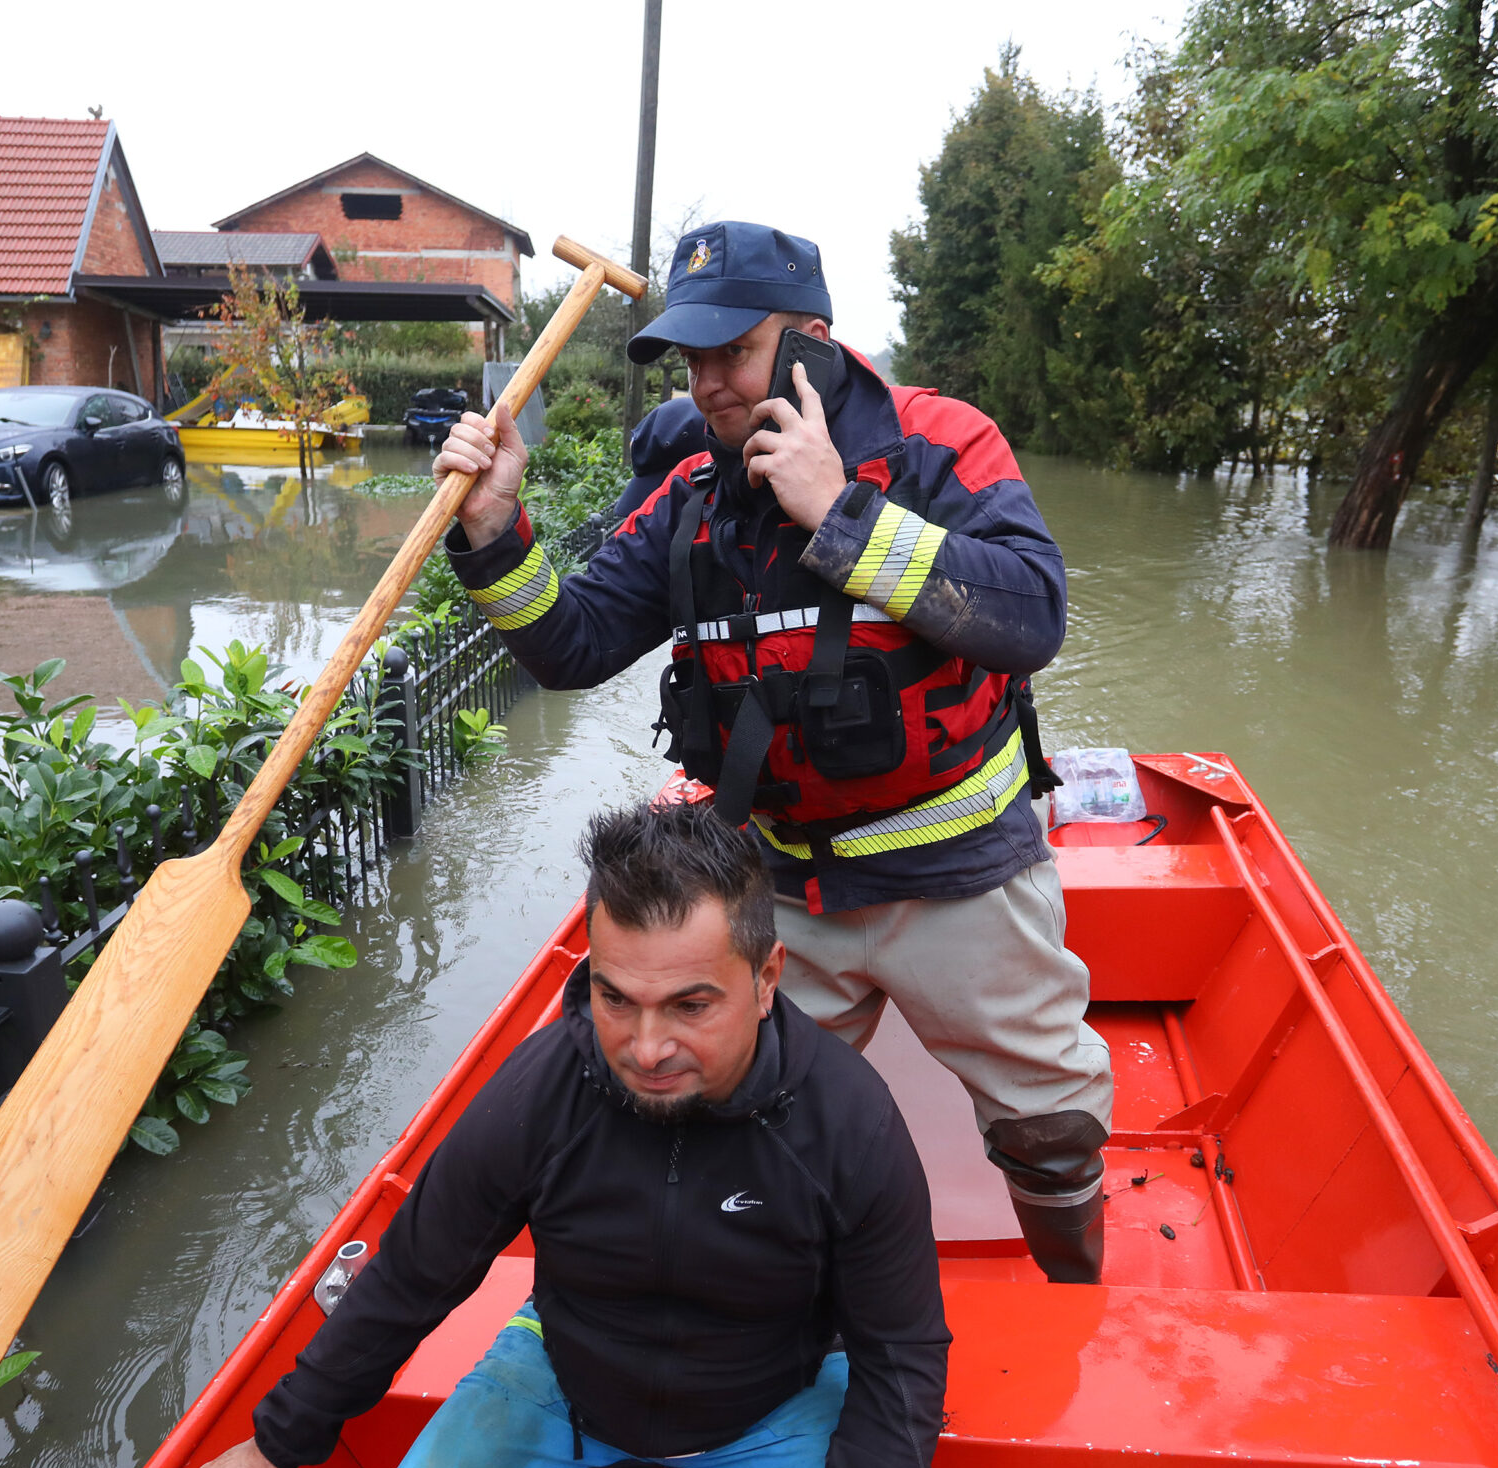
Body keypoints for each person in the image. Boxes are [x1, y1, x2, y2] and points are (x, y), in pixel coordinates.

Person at [433, 219, 1115, 1283]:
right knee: (716, 1118)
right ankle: (757, 1302)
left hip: (960, 869)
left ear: (810, 344)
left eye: (732, 353)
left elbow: (1031, 617)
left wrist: (838, 513)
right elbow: (571, 645)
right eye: (693, 359)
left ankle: (1076, 1294)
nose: (707, 384)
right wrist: (492, 529)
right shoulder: (690, 494)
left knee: (1050, 1125)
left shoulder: (941, 443)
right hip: (784, 882)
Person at [167, 800, 959, 1468]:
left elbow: (899, 1353)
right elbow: (413, 1276)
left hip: (773, 1398)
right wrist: (272, 1451)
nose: (646, 1047)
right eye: (614, 997)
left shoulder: (849, 1122)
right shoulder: (543, 1090)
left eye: (691, 1005)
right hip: (567, 1373)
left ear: (768, 975)